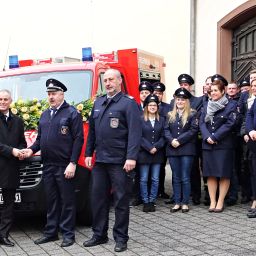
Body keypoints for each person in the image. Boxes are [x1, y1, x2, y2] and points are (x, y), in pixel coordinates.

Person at [83, 69, 141, 253]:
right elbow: (92, 131)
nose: (107, 83)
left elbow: (135, 133)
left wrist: (131, 157)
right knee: (98, 199)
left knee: (121, 200)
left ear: (119, 81)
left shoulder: (128, 104)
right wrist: (88, 153)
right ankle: (99, 235)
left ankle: (121, 238)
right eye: (105, 80)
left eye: (111, 80)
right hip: (100, 161)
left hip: (119, 161)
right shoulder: (99, 102)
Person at [23, 79, 84, 247]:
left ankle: (68, 235)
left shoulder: (72, 113)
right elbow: (40, 139)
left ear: (62, 94)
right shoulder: (44, 115)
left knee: (67, 201)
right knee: (52, 200)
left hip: (65, 165)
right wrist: (31, 150)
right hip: (48, 165)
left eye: (54, 94)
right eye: (49, 94)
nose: (51, 97)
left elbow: (78, 140)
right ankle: (51, 233)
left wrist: (72, 163)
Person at [200, 80, 237, 212]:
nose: (213, 93)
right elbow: (202, 123)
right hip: (208, 145)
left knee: (224, 174)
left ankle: (220, 201)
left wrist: (215, 137)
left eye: (216, 90)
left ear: (223, 91)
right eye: (212, 90)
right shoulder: (206, 105)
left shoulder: (231, 105)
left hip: (223, 145)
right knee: (210, 174)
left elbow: (230, 124)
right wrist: (207, 137)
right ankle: (212, 201)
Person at [170, 74, 203, 205]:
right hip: (174, 145)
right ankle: (177, 197)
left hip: (189, 144)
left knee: (192, 171)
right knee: (177, 175)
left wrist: (180, 140)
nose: (184, 86)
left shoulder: (197, 101)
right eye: (182, 84)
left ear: (190, 86)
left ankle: (195, 195)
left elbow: (194, 127)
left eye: (186, 85)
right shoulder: (173, 103)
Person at [165, 88, 198, 213]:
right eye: (178, 99)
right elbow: (165, 130)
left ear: (187, 101)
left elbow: (193, 130)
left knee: (185, 177)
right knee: (176, 177)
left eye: (182, 100)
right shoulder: (169, 115)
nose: (180, 101)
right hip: (172, 149)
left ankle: (185, 203)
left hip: (186, 150)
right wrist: (171, 140)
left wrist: (179, 140)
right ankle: (177, 202)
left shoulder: (192, 114)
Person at [0, 89, 26, 247]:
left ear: (11, 101)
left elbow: (22, 141)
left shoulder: (18, 121)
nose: (2, 101)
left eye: (5, 99)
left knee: (8, 206)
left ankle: (3, 235)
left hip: (10, 169)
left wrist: (22, 151)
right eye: (0, 99)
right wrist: (12, 151)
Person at [138, 94, 165, 212]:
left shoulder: (162, 119)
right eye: (150, 105)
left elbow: (165, 136)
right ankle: (145, 201)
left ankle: (152, 200)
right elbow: (138, 136)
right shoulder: (140, 119)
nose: (153, 107)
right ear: (146, 106)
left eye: (155, 105)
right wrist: (149, 147)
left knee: (155, 178)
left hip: (157, 154)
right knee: (143, 179)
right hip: (144, 153)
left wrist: (156, 147)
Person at [152, 82, 170, 199]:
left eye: (159, 93)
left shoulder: (168, 107)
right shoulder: (148, 106)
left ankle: (161, 190)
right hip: (149, 143)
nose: (157, 95)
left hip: (162, 143)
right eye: (155, 93)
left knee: (161, 167)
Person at [244, 79, 256, 217]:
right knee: (254, 174)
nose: (253, 88)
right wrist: (250, 130)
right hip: (254, 144)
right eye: (252, 86)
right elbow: (249, 115)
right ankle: (255, 200)